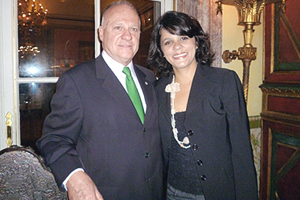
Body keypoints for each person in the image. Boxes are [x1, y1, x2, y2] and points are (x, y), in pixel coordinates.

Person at [36, 1, 164, 200]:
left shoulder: (150, 78)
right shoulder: (76, 80)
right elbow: (54, 139)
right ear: (101, 33)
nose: (128, 35)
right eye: (118, 27)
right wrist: (74, 176)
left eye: (134, 29)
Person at [148, 11, 258, 200]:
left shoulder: (224, 81)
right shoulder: (157, 90)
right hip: (172, 193)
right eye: (168, 42)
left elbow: (242, 151)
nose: (177, 47)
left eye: (183, 37)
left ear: (196, 42)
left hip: (217, 192)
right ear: (161, 51)